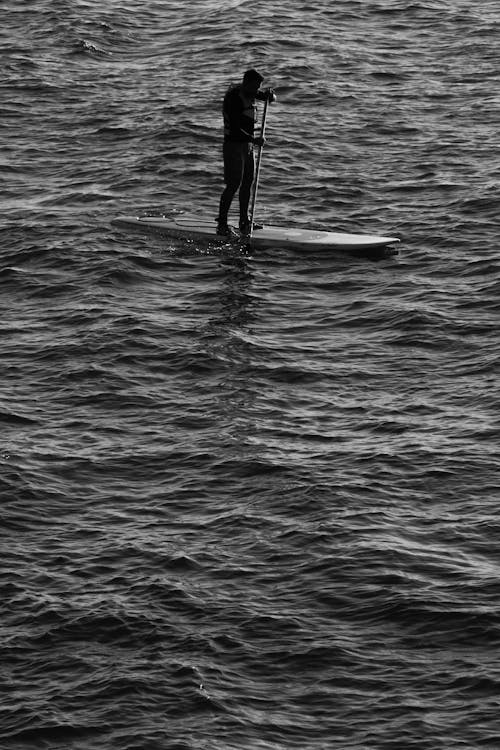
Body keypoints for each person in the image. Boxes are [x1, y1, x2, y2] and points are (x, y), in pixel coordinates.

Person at [216, 69, 276, 237]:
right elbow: (235, 127)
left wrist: (271, 96)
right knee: (234, 184)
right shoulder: (234, 98)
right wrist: (254, 139)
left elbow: (268, 97)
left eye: (259, 86)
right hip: (234, 145)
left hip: (247, 146)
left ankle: (244, 221)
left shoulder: (250, 92)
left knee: (248, 181)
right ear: (247, 83)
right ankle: (222, 224)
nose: (258, 90)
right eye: (256, 86)